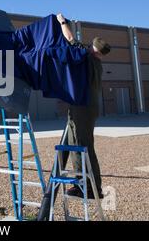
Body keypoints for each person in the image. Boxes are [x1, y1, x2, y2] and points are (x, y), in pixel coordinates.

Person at [56, 13, 111, 199]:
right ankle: (88, 185)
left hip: (83, 107)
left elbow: (70, 39)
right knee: (80, 144)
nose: (87, 48)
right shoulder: (97, 63)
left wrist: (61, 21)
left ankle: (87, 187)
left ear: (94, 50)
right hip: (87, 107)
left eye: (90, 47)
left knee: (81, 145)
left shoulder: (87, 58)